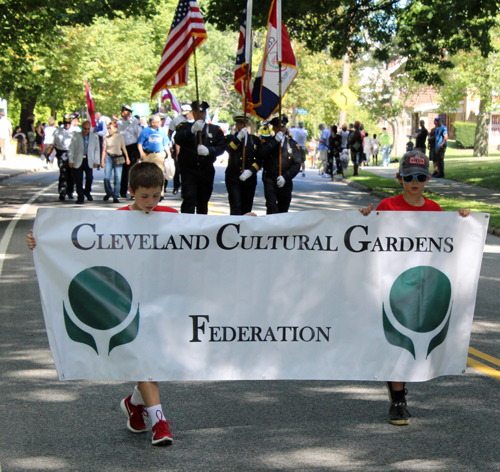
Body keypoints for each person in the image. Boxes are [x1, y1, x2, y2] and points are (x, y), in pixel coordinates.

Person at [27, 161, 176, 446]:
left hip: (163, 301)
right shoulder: (115, 221)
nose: (150, 202)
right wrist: (40, 242)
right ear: (130, 191)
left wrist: (244, 223)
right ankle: (160, 423)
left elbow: (206, 237)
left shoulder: (170, 216)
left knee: (157, 359)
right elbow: (76, 247)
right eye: (144, 196)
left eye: (156, 195)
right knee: (145, 359)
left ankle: (135, 404)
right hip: (126, 303)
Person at [359, 150, 470, 426]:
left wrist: (464, 221)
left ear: (428, 178)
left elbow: (448, 243)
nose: (415, 181)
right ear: (400, 178)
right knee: (396, 342)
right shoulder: (387, 206)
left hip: (423, 287)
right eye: (409, 177)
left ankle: (397, 391)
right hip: (392, 284)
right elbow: (368, 240)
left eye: (420, 176)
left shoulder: (435, 210)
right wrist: (364, 217)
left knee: (416, 343)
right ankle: (398, 400)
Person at [174, 100, 225, 214]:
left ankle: (201, 228)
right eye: (197, 112)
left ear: (205, 113)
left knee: (203, 201)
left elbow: (221, 147)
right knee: (189, 198)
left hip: (205, 170)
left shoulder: (214, 130)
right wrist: (191, 130)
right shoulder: (184, 127)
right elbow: (178, 139)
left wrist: (209, 151)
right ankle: (187, 226)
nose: (200, 114)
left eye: (202, 112)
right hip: (189, 170)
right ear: (193, 113)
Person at [260, 115, 301, 214]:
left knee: (283, 209)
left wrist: (286, 177)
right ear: (273, 128)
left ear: (285, 128)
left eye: (282, 127)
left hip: (285, 180)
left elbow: (296, 164)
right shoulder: (267, 142)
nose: (280, 129)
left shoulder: (292, 144)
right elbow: (262, 154)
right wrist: (274, 142)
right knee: (271, 206)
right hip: (270, 179)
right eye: (277, 127)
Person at [225, 112, 262, 215]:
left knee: (247, 207)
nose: (241, 125)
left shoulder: (254, 140)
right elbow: (229, 149)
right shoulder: (230, 138)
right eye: (239, 123)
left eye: (243, 123)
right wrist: (238, 139)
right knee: (235, 205)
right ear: (236, 124)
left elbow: (259, 159)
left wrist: (251, 171)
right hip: (233, 177)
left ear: (247, 124)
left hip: (249, 178)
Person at [137, 114, 171, 197]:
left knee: (160, 174)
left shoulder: (162, 131)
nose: (160, 123)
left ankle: (160, 193)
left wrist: (169, 154)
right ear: (152, 123)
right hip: (148, 154)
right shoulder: (145, 131)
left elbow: (165, 143)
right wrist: (141, 153)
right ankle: (147, 192)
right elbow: (140, 143)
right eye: (158, 122)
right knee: (146, 174)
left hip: (159, 155)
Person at [68, 120, 100, 204]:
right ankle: (80, 197)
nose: (86, 131)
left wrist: (96, 161)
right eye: (85, 129)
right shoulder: (76, 136)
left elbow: (97, 149)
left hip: (89, 160)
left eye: (88, 129)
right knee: (78, 179)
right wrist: (70, 160)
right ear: (82, 128)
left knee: (89, 178)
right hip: (78, 160)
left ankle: (87, 191)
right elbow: (71, 148)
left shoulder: (94, 137)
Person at [118, 104, 143, 198]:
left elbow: (139, 135)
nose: (122, 113)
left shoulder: (135, 122)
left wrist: (139, 150)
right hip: (121, 148)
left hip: (131, 147)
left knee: (131, 170)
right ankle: (122, 191)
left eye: (124, 111)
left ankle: (132, 191)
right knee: (122, 170)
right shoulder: (119, 122)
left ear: (129, 112)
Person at [102, 121, 130, 203]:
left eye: (110, 128)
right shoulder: (106, 138)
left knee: (118, 177)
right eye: (108, 128)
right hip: (109, 157)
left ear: (115, 128)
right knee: (106, 177)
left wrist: (127, 157)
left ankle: (115, 196)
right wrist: (102, 160)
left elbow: (123, 148)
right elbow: (104, 150)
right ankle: (109, 192)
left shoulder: (120, 137)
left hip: (118, 157)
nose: (109, 130)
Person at [169, 104, 194, 195]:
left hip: (190, 146)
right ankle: (176, 185)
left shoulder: (195, 121)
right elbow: (170, 132)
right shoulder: (176, 120)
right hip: (177, 145)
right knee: (177, 167)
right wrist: (170, 145)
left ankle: (185, 187)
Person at [53, 114, 76, 201]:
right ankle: (62, 191)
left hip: (72, 153)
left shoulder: (75, 131)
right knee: (63, 172)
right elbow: (53, 143)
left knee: (71, 173)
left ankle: (70, 191)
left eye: (68, 122)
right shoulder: (58, 131)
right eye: (65, 122)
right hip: (62, 152)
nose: (67, 124)